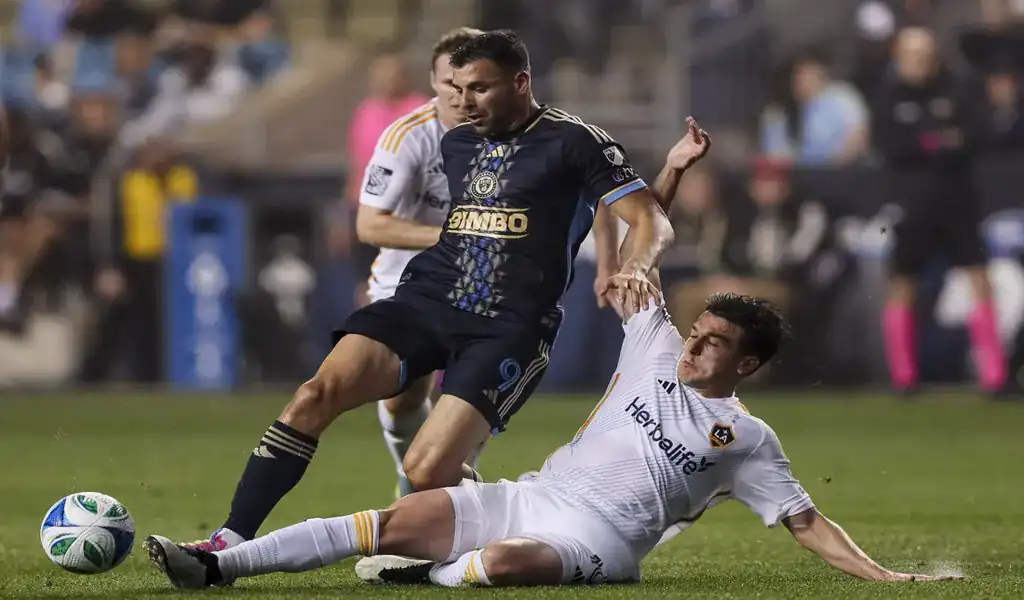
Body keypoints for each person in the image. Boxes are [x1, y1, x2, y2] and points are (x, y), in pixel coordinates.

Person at [143, 121, 959, 590]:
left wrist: (886, 578)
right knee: (389, 521)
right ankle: (219, 566)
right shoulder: (652, 345)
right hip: (534, 494)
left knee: (503, 565)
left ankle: (435, 573)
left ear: (745, 365)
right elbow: (642, 239)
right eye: (697, 326)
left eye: (714, 341)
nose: (695, 339)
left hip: (598, 541)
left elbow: (806, 522)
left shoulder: (746, 441)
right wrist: (669, 170)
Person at [149, 29, 677, 552]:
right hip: (428, 298)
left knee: (425, 471)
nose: (465, 102)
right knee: (315, 394)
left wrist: (631, 263)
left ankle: (529, 525)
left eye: (481, 88)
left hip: (508, 325)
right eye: (458, 88)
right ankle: (227, 539)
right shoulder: (459, 142)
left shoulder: (575, 139)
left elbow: (647, 219)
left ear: (521, 82)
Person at [352, 26, 485, 500]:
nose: (461, 94)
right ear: (432, 81)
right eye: (451, 81)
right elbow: (370, 225)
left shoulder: (515, 134)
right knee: (407, 394)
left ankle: (440, 502)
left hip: (483, 286)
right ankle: (418, 489)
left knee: (472, 400)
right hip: (406, 285)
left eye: (473, 82)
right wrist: (452, 239)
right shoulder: (408, 135)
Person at [872, 27, 1007, 395]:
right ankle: (904, 377)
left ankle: (995, 375)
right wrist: (937, 140)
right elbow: (894, 146)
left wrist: (927, 141)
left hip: (958, 202)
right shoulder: (888, 97)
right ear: (899, 57)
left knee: (979, 277)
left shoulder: (957, 89)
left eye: (926, 53)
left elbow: (974, 136)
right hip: (913, 206)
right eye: (913, 54)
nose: (921, 61)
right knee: (904, 283)